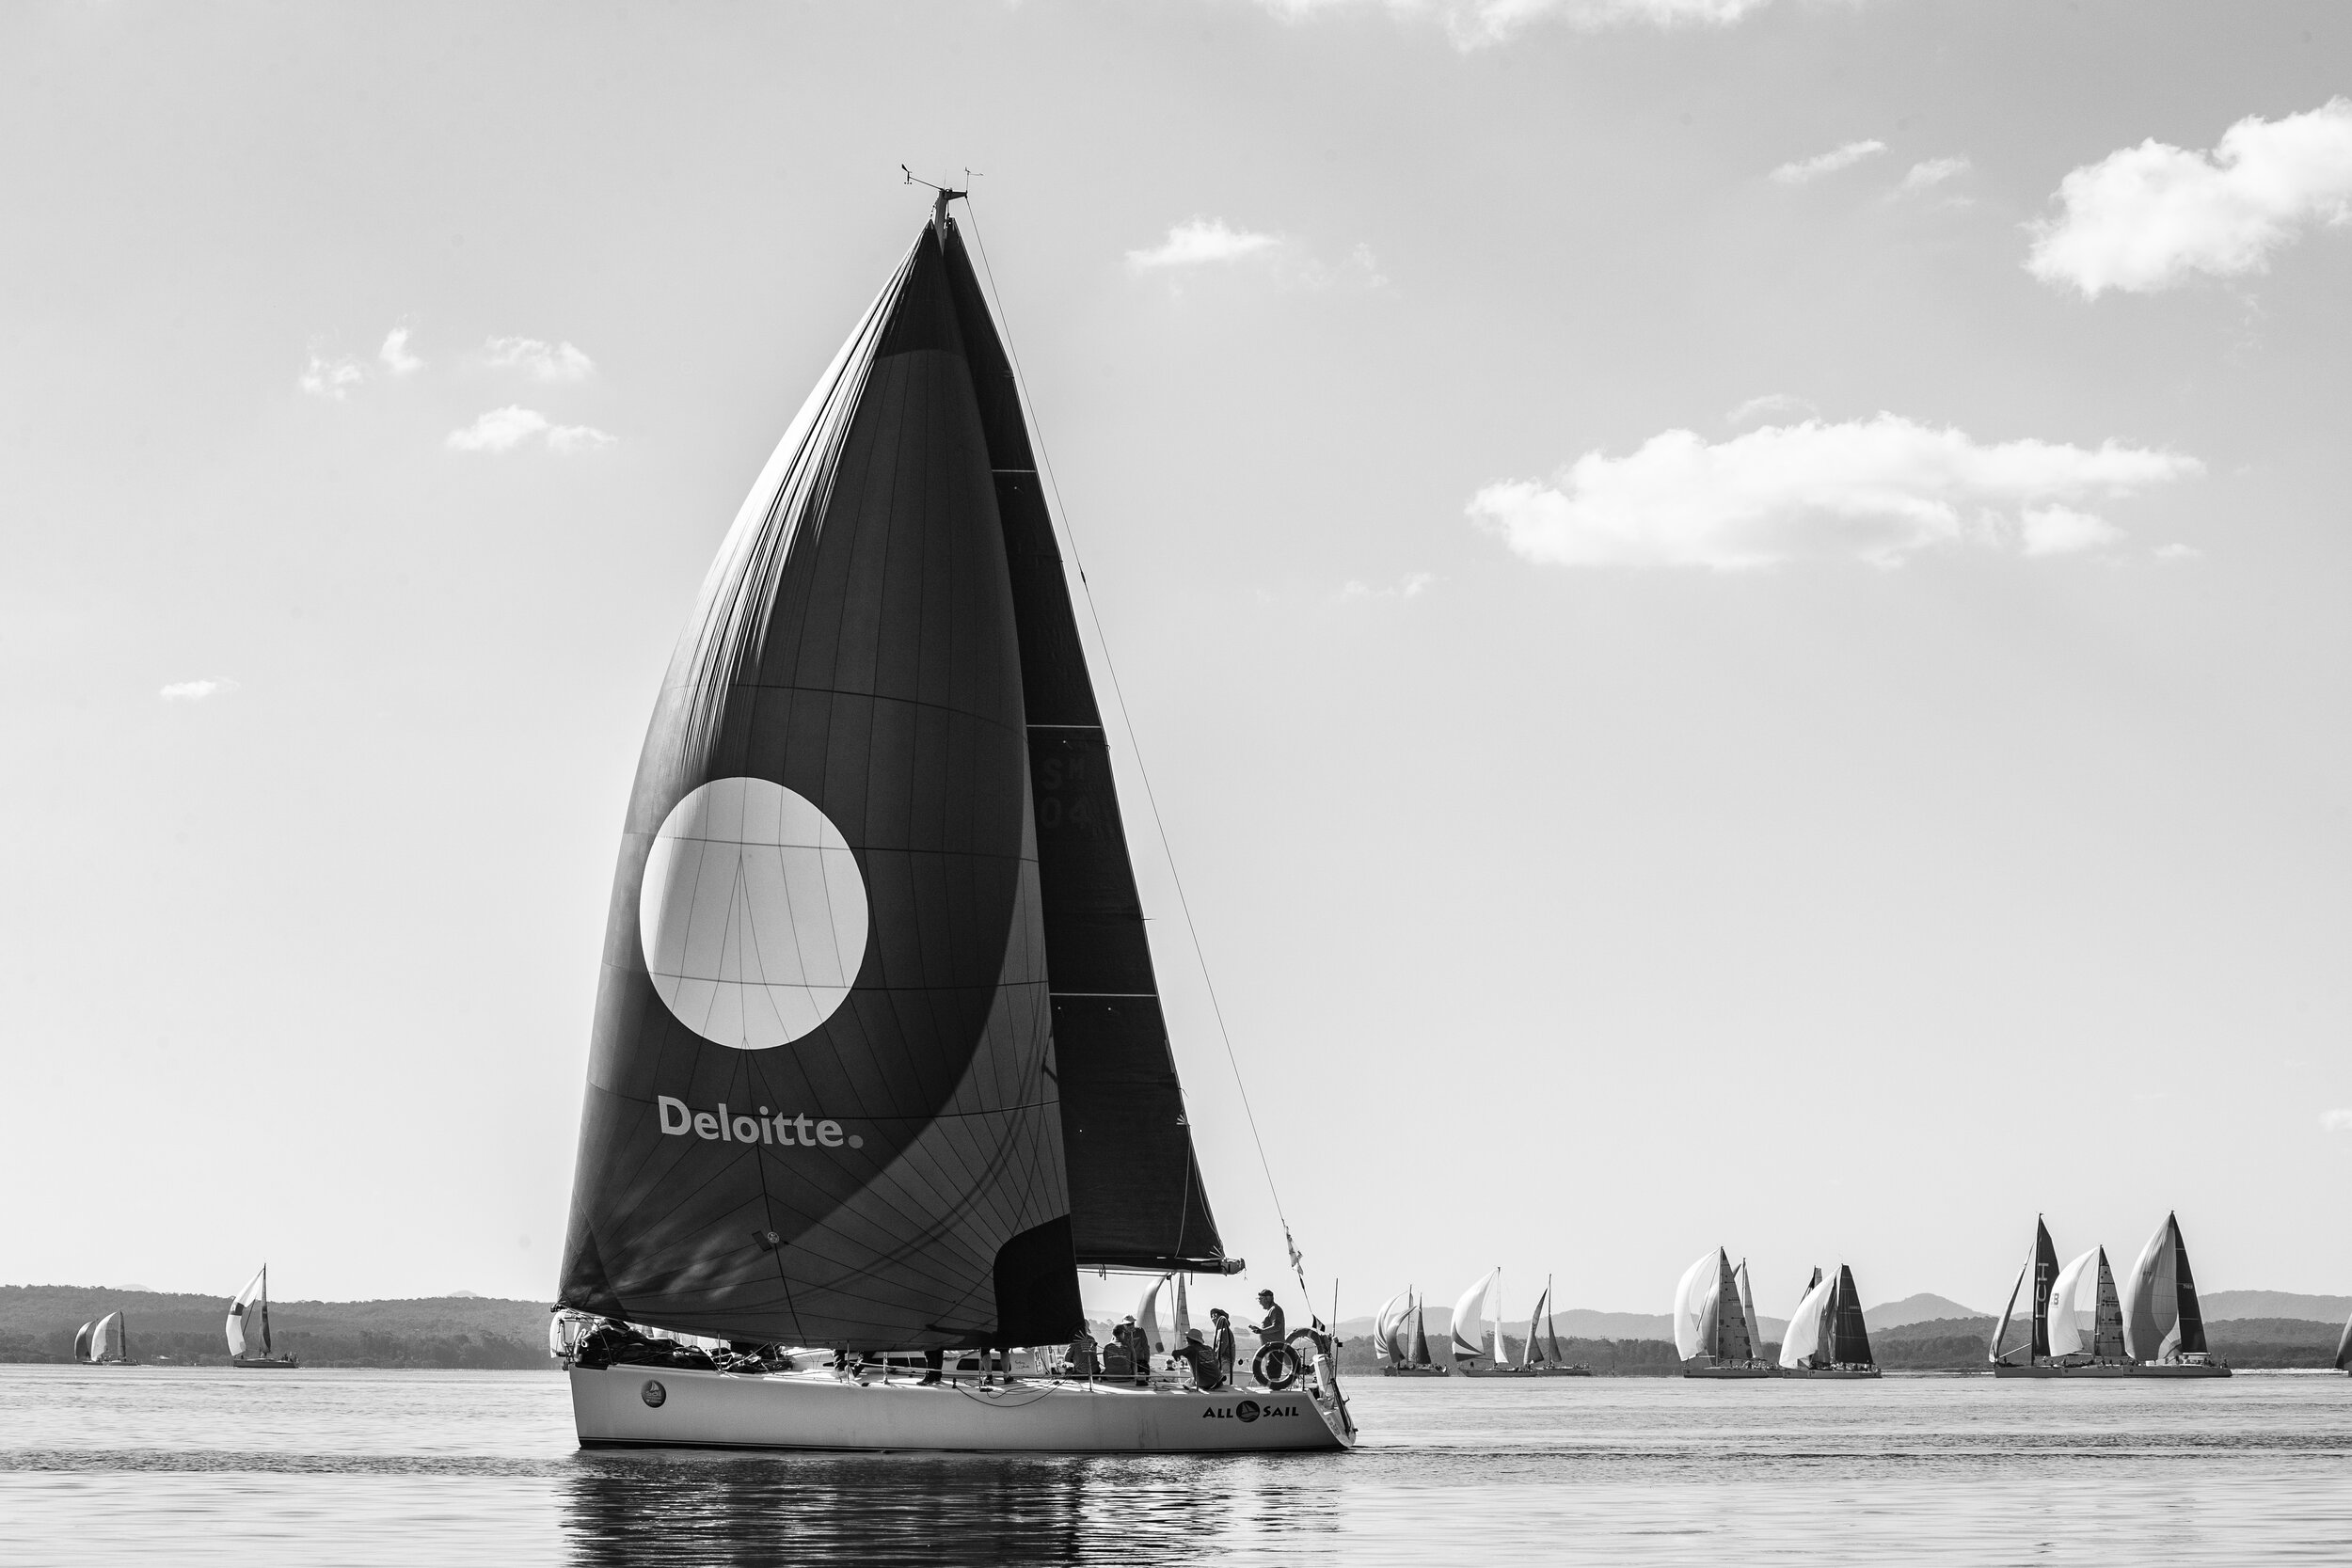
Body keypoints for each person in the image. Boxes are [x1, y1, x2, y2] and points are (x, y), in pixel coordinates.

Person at [1169, 1327, 1226, 1391]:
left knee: (1187, 1384)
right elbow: (1216, 1363)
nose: (1186, 1339)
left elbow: (1175, 1353)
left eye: (1187, 1338)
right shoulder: (1209, 1348)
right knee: (1191, 1380)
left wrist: (1177, 1358)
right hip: (1219, 1381)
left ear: (1191, 1340)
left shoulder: (1191, 1349)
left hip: (1207, 1384)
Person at [1209, 1308, 1236, 1389]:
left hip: (1225, 1361)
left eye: (1215, 1315)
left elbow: (1221, 1350)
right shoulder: (1219, 1331)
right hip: (1221, 1360)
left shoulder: (1224, 1331)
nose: (1213, 1317)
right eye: (1212, 1315)